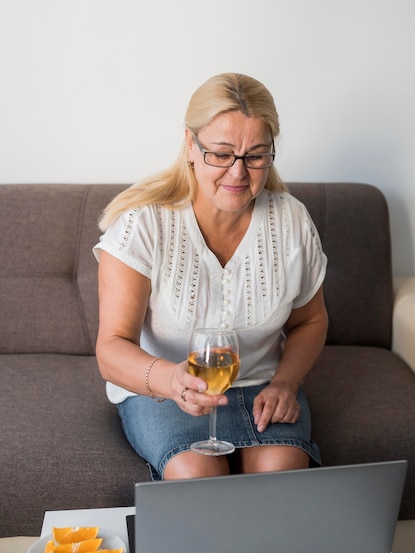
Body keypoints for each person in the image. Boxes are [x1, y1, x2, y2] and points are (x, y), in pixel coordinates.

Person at [93, 72, 328, 481]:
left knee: (283, 475)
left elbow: (310, 320)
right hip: (167, 391)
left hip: (263, 388)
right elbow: (111, 349)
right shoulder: (143, 225)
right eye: (221, 154)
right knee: (199, 478)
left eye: (255, 155)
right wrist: (172, 380)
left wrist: (287, 383)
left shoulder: (291, 220)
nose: (238, 174)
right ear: (190, 145)